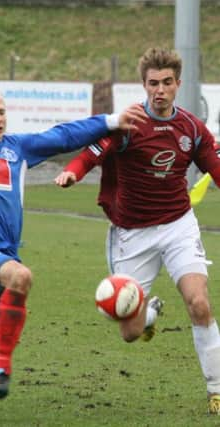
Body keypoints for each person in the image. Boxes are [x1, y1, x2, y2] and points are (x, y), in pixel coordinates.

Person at [0, 88, 129, 410]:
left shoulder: (18, 148)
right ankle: (5, 369)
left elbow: (63, 136)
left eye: (1, 112)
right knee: (21, 277)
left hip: (1, 257)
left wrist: (111, 120)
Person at [55, 47, 220, 415]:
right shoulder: (128, 124)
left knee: (199, 301)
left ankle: (216, 390)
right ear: (143, 85)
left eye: (166, 83)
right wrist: (72, 172)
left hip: (178, 224)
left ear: (178, 84)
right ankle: (150, 315)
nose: (159, 90)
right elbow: (91, 153)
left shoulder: (191, 128)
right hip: (132, 234)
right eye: (152, 83)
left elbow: (215, 164)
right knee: (129, 331)